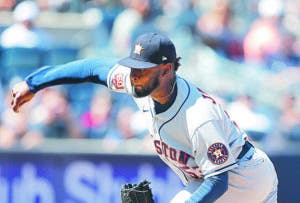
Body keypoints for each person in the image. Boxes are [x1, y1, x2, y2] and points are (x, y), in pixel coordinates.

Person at [11, 32, 278, 202]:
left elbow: (221, 181)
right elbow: (91, 68)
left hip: (244, 177)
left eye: (143, 70)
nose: (134, 75)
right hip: (213, 177)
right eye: (134, 67)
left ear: (166, 70)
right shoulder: (138, 84)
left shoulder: (198, 115)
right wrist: (34, 83)